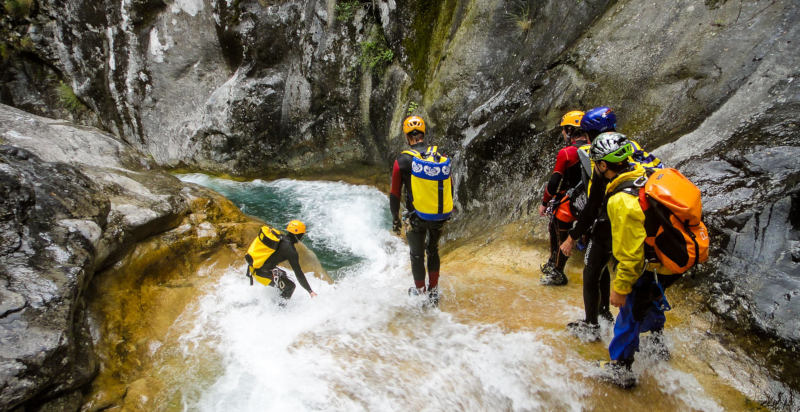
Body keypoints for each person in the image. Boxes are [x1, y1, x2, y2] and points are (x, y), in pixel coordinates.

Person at [560, 107, 662, 341]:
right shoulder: (630, 147)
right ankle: (657, 338)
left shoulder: (600, 157)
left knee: (592, 271)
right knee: (646, 279)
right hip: (645, 220)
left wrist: (573, 236)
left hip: (611, 219)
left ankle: (593, 324)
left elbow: (594, 203)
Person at [590, 132, 680, 388]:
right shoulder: (644, 172)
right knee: (650, 297)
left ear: (603, 165)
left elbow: (630, 254)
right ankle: (658, 342)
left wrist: (620, 288)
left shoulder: (621, 200)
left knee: (628, 313)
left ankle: (621, 368)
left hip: (648, 264)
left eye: (597, 164)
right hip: (668, 258)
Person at [390, 115, 454, 306]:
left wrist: (395, 219)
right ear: (423, 133)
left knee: (417, 255)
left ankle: (420, 293)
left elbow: (395, 194)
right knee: (432, 250)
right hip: (438, 215)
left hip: (415, 217)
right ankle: (434, 293)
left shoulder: (401, 161)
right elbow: (450, 185)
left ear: (406, 136)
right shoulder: (439, 156)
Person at [537, 110, 590, 286]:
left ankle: (557, 272)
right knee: (558, 229)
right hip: (590, 201)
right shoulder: (595, 148)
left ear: (570, 130)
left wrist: (545, 202)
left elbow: (554, 182)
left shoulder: (567, 153)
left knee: (560, 234)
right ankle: (553, 264)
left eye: (563, 129)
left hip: (569, 203)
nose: (562, 133)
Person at [244, 220, 318, 303]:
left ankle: (271, 301)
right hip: (261, 274)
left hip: (255, 267)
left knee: (283, 275)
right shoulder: (291, 251)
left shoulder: (280, 238)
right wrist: (310, 291)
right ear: (299, 235)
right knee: (290, 287)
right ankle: (278, 309)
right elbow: (299, 274)